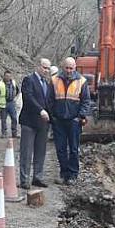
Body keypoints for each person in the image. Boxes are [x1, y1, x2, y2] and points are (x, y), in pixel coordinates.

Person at [49, 57, 91, 185]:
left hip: (74, 121)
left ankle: (73, 174)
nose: (68, 70)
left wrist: (80, 117)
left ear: (75, 67)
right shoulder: (54, 80)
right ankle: (64, 173)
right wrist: (53, 117)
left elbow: (86, 101)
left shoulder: (82, 81)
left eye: (71, 68)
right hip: (59, 121)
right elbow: (49, 100)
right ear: (63, 67)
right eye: (66, 68)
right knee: (60, 149)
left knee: (73, 149)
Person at [18, 58, 53, 189]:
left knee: (40, 151)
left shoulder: (47, 83)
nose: (46, 70)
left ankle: (37, 177)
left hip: (43, 124)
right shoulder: (29, 80)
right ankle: (24, 179)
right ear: (38, 67)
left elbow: (48, 102)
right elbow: (28, 97)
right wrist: (40, 111)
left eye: (48, 68)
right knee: (26, 152)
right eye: (44, 67)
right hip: (29, 122)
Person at [0, 70, 20, 138]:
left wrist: (15, 98)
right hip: (3, 104)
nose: (8, 77)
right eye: (6, 76)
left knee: (14, 118)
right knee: (3, 120)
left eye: (9, 76)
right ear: (4, 76)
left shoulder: (13, 83)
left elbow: (17, 91)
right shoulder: (0, 84)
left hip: (11, 103)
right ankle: (4, 133)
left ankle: (14, 133)